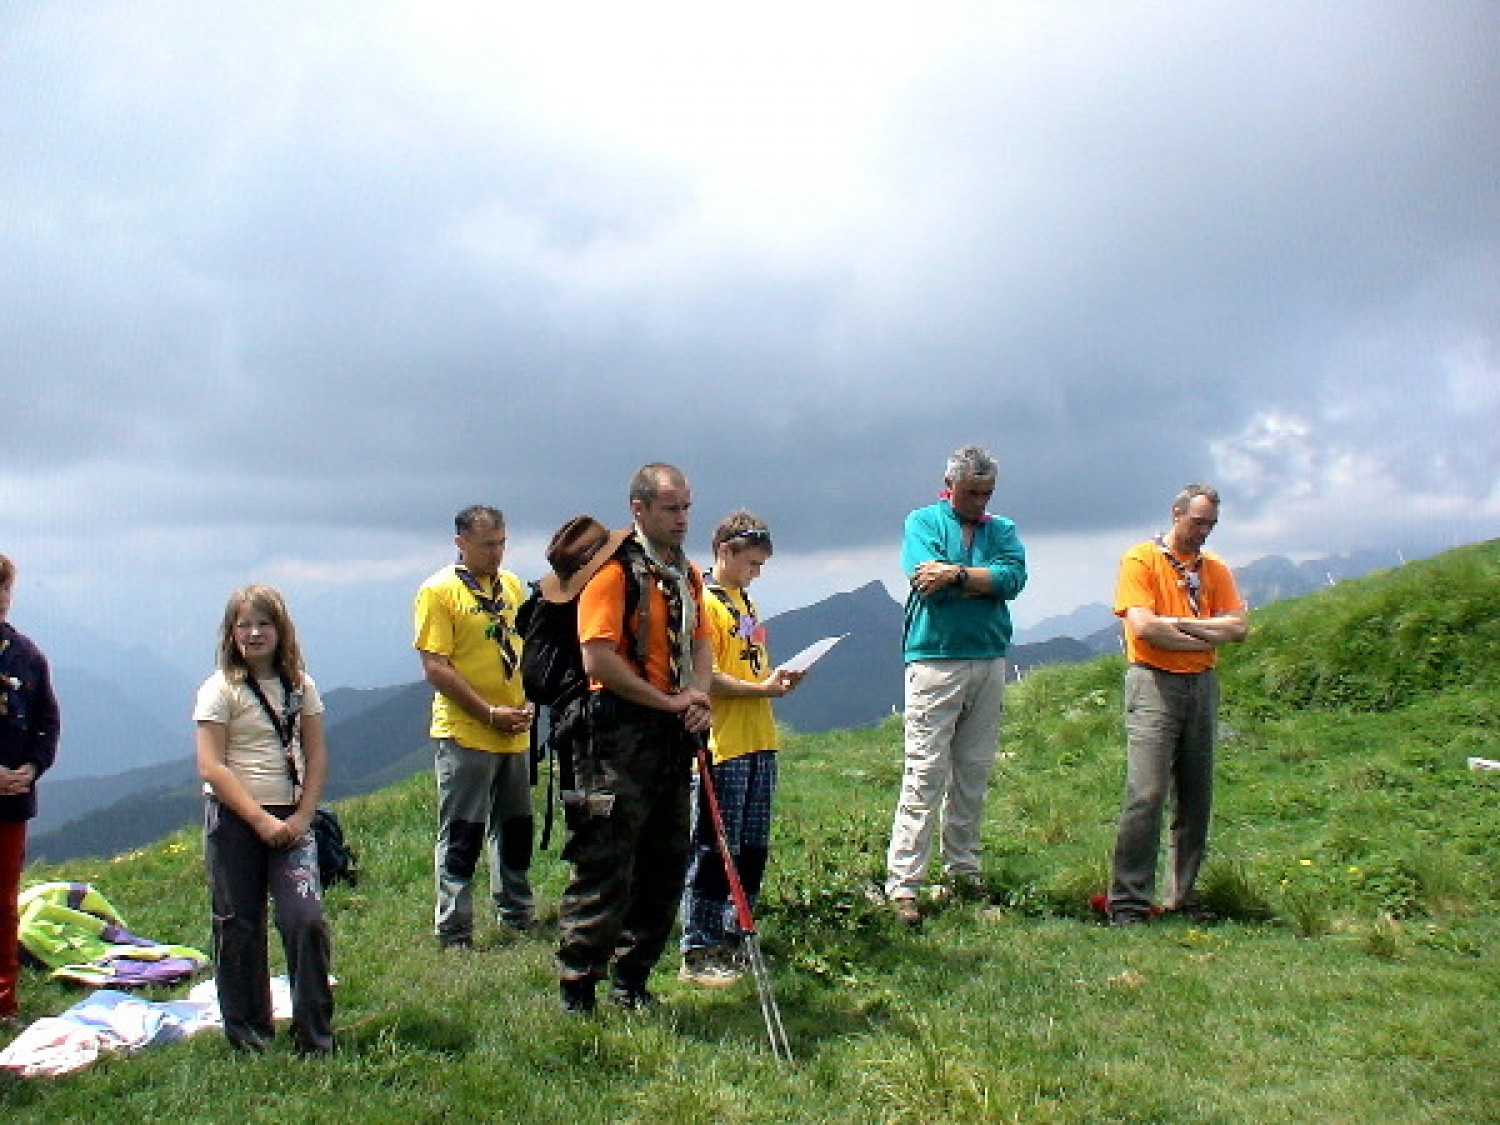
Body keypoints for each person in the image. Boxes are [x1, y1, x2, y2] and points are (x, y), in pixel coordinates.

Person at [556, 463, 713, 1013]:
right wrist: (670, 701)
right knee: (606, 859)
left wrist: (696, 697)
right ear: (640, 509)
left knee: (666, 860)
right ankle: (578, 986)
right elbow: (598, 656)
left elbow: (699, 643)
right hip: (614, 732)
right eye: (671, 508)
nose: (683, 519)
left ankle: (634, 980)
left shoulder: (687, 575)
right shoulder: (613, 573)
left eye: (687, 507)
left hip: (670, 733)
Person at [885, 445, 1027, 925]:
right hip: (934, 659)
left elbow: (1014, 579)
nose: (980, 502)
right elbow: (925, 582)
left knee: (974, 769)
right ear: (950, 486)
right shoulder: (922, 522)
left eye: (987, 493)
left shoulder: (1002, 529)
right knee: (925, 770)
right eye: (971, 493)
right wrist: (981, 582)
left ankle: (962, 872)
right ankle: (905, 883)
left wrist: (960, 574)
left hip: (988, 657)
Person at [194, 584, 334, 1054]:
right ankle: (249, 1035)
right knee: (238, 925)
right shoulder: (219, 690)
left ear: (281, 630)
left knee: (305, 920)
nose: (254, 634)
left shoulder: (301, 686)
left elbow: (316, 755)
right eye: (244, 625)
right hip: (235, 819)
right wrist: (259, 821)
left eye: (263, 624)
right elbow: (212, 766)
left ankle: (315, 1034)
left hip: (292, 818)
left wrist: (303, 815)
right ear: (231, 633)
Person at [1106, 484, 1248, 926]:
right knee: (1146, 793)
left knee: (1195, 795)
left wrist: (1182, 625)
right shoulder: (1140, 560)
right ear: (1176, 514)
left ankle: (1180, 897)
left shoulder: (1215, 569)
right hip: (1153, 682)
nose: (1202, 531)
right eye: (1197, 521)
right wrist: (1207, 630)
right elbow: (1145, 627)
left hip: (1202, 684)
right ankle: (1128, 902)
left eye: (1210, 525)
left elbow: (1239, 627)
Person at [679, 512, 803, 988]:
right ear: (725, 552)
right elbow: (704, 678)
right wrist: (761, 691)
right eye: (751, 562)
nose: (757, 571)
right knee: (714, 846)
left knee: (752, 847)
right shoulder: (704, 603)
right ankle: (699, 945)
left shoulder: (743, 599)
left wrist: (774, 684)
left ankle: (737, 933)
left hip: (759, 739)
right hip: (723, 741)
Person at [414, 505, 536, 950]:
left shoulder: (511, 586)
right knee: (464, 830)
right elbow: (436, 666)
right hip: (466, 731)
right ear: (461, 543)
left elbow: (527, 648)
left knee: (516, 826)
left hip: (515, 728)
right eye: (487, 544)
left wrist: (528, 702)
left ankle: (518, 914)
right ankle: (455, 929)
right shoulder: (439, 592)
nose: (497, 553)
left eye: (502, 542)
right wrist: (487, 712)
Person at [0, 554, 61, 1033]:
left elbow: (46, 723)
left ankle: (5, 1000)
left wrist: (33, 766)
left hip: (13, 803)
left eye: (2, 589)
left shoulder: (28, 657)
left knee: (4, 901)